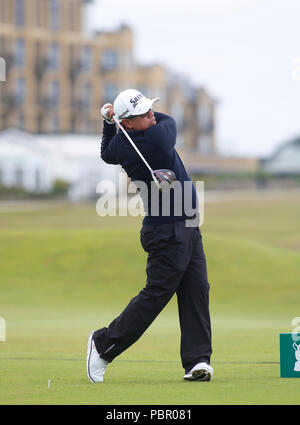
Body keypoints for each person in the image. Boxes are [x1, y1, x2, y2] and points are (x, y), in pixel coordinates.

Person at [87, 89, 213, 383]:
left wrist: (109, 124)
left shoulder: (123, 142)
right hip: (168, 230)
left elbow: (106, 153)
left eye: (149, 109)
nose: (152, 114)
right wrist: (115, 120)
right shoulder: (159, 137)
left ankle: (197, 361)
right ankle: (103, 345)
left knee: (197, 289)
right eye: (142, 114)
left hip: (186, 225)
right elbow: (169, 121)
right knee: (156, 295)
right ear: (129, 124)